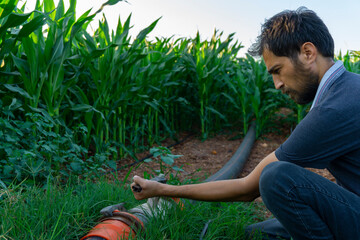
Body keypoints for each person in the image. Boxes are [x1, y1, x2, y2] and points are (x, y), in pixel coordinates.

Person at [131, 7, 360, 240]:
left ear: (308, 52)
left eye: (278, 70)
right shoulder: (348, 89)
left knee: (276, 178)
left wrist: (163, 190)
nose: (277, 84)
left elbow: (248, 188)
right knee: (256, 234)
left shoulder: (335, 108)